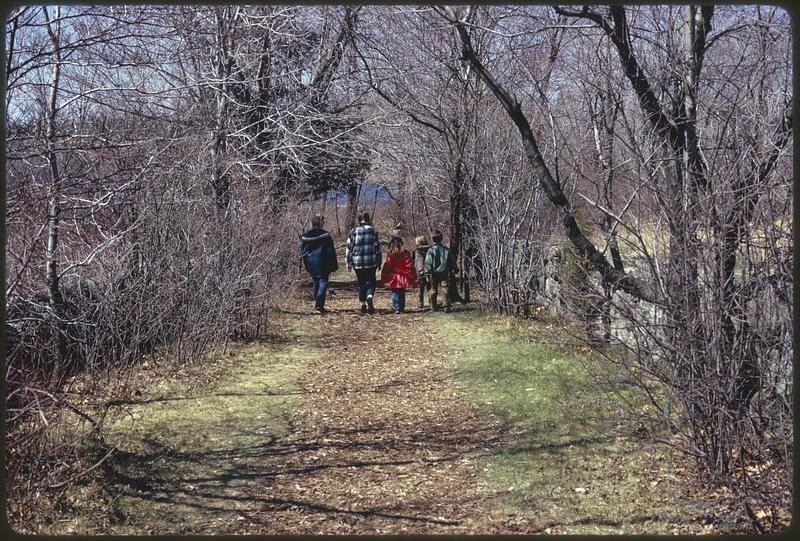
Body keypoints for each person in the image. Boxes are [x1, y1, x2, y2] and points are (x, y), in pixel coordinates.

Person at [300, 214, 338, 313]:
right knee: (323, 281)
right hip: (322, 261)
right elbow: (330, 250)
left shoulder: (306, 235)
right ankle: (319, 303)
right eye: (323, 221)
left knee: (316, 281)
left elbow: (303, 251)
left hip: (310, 261)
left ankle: (317, 301)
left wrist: (306, 262)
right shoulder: (325, 235)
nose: (324, 223)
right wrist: (333, 264)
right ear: (320, 222)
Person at [346, 210, 381, 314]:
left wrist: (348, 262)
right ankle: (369, 295)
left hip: (358, 261)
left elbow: (349, 248)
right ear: (368, 218)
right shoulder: (373, 231)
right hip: (371, 261)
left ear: (359, 219)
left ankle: (362, 303)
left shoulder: (353, 231)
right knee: (371, 281)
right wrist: (379, 261)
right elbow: (377, 247)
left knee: (361, 282)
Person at [380, 237, 418, 313]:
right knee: (402, 292)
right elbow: (409, 264)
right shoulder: (405, 253)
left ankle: (397, 307)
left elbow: (388, 265)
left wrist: (386, 273)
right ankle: (401, 307)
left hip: (395, 276)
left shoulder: (391, 254)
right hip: (404, 275)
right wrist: (410, 273)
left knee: (395, 291)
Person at [423, 229, 456, 313]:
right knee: (445, 288)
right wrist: (455, 268)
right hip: (444, 272)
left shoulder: (430, 250)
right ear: (441, 239)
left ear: (432, 239)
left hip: (433, 273)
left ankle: (433, 306)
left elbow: (428, 262)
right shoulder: (446, 250)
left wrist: (427, 273)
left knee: (433, 289)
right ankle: (446, 305)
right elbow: (452, 261)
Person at [412, 235, 431, 308]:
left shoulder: (418, 250)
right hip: (430, 271)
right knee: (430, 287)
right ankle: (431, 302)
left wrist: (420, 270)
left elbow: (419, 260)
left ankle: (421, 303)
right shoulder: (430, 248)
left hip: (421, 272)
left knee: (421, 288)